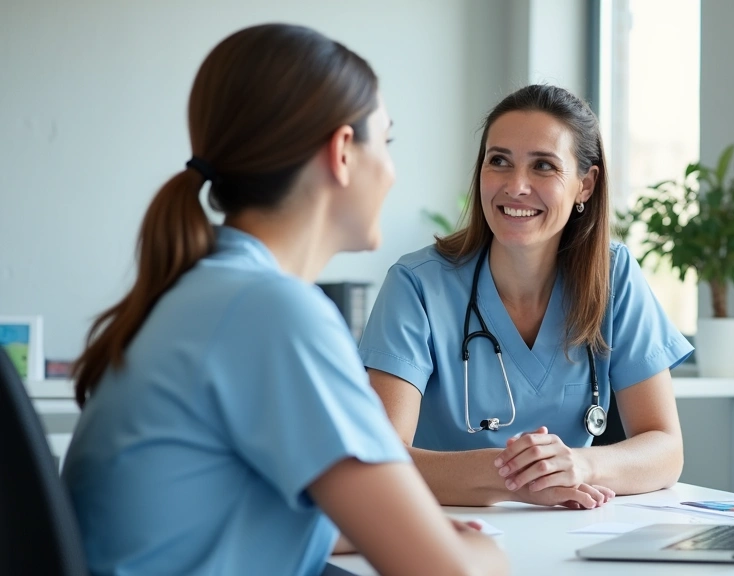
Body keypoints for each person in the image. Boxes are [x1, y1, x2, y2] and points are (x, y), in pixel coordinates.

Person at [61, 24, 506, 576]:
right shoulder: (271, 314)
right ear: (343, 152)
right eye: (385, 142)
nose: (391, 171)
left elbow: (227, 513)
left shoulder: (206, 290)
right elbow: (447, 573)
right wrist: (481, 552)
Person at [359, 84, 694, 508]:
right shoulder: (416, 285)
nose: (516, 186)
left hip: (570, 529)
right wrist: (517, 475)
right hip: (448, 531)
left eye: (543, 166)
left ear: (585, 185)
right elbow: (380, 462)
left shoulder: (614, 276)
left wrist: (580, 465)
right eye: (499, 161)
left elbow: (666, 450)